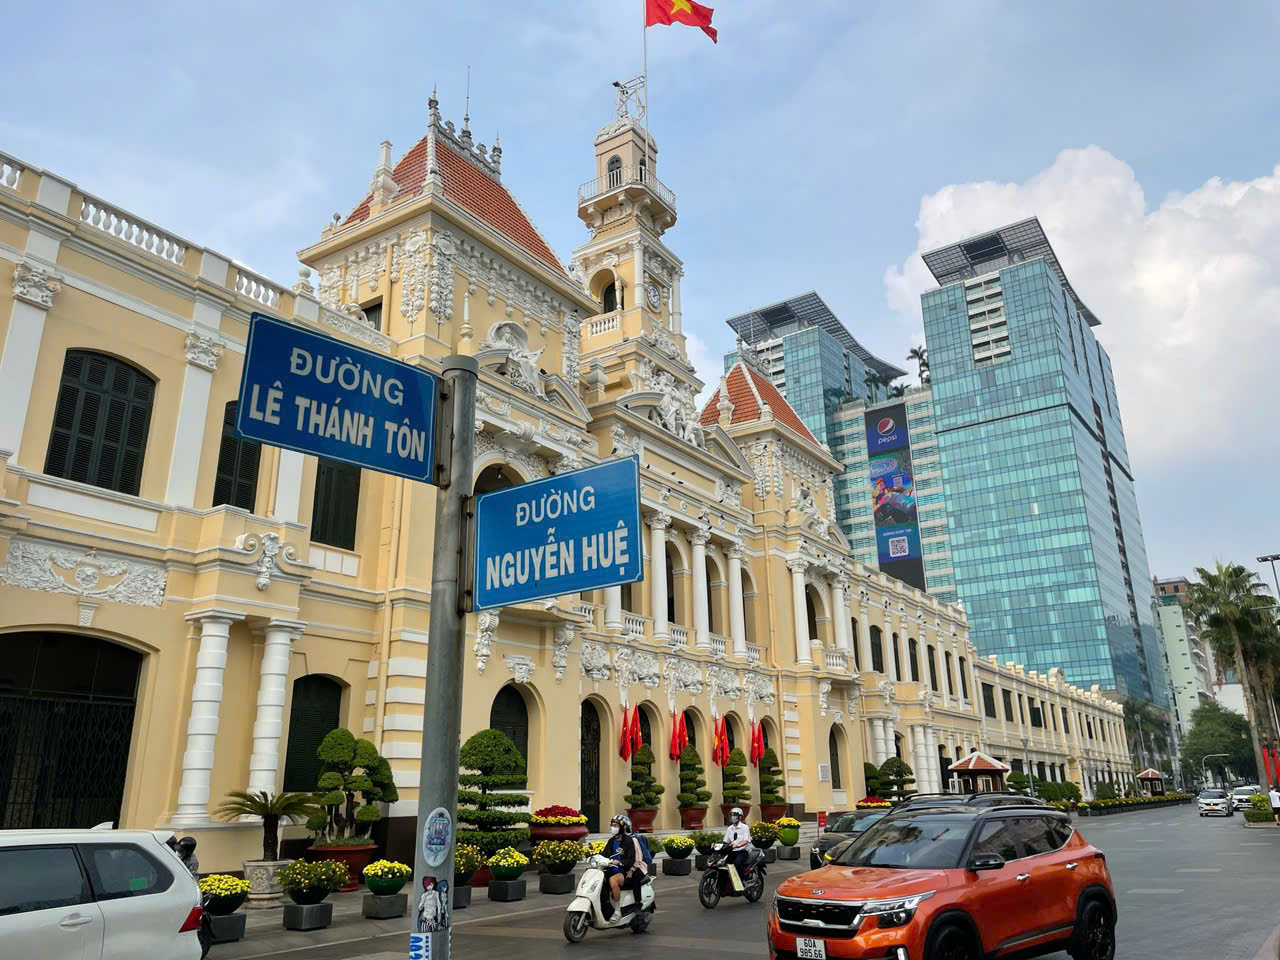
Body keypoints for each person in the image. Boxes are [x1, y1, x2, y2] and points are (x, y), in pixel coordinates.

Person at [603, 813, 647, 918]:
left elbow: (634, 859)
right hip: (613, 869)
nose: (613, 828)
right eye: (612, 825)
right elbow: (605, 854)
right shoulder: (611, 841)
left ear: (622, 828)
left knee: (614, 880)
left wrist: (629, 867)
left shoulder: (630, 841)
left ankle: (620, 910)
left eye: (616, 826)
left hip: (625, 870)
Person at [722, 807, 752, 881]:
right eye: (731, 815)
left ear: (740, 817)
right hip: (732, 851)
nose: (733, 817)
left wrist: (738, 845)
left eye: (735, 815)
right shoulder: (729, 828)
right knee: (723, 863)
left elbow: (745, 840)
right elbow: (725, 841)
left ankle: (740, 883)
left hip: (742, 852)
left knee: (736, 863)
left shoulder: (745, 827)